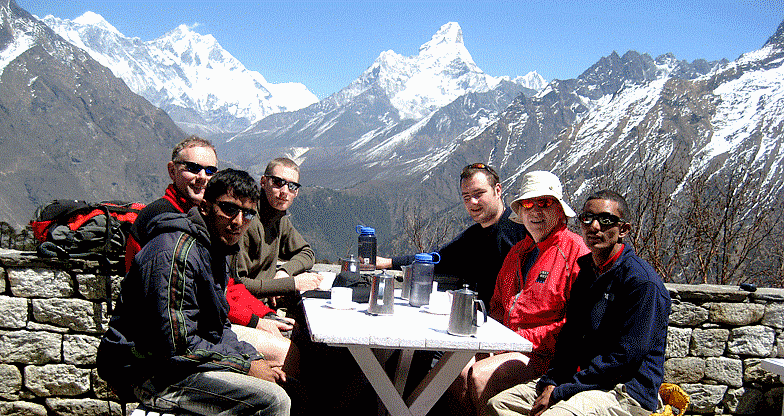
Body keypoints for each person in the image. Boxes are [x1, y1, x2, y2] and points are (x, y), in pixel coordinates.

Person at [98, 169, 291, 416]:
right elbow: (176, 344)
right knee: (273, 401)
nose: (238, 221)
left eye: (248, 213)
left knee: (285, 381)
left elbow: (218, 327)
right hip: (146, 370)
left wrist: (251, 357)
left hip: (175, 362)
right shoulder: (175, 254)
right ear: (205, 207)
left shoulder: (214, 248)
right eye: (229, 209)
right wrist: (245, 365)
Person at [486, 190, 670, 416]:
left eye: (606, 220)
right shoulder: (587, 272)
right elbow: (570, 337)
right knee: (499, 405)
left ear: (623, 229)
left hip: (624, 391)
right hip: (580, 380)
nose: (594, 226)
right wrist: (553, 381)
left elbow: (624, 359)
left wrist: (561, 392)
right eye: (587, 218)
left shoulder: (640, 282)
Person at [125, 136, 298, 376]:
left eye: (210, 170)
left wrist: (264, 313)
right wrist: (256, 324)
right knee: (287, 356)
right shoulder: (164, 223)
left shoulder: (206, 221)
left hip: (207, 324)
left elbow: (227, 285)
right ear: (171, 170)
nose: (202, 177)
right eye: (193, 168)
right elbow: (190, 303)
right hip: (170, 340)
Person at [450, 171, 589, 416]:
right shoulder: (517, 253)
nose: (535, 210)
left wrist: (517, 339)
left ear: (559, 208)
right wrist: (491, 341)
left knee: (480, 377)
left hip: (549, 357)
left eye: (544, 202)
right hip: (510, 345)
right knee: (453, 372)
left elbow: (578, 324)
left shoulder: (576, 252)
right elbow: (497, 307)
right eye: (527, 203)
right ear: (521, 212)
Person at [376, 163, 529, 305]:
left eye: (479, 194)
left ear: (497, 190)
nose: (472, 202)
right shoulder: (473, 237)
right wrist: (388, 263)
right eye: (466, 197)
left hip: (513, 325)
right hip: (480, 317)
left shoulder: (523, 230)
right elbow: (438, 259)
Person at [232, 157, 321, 305]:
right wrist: (290, 284)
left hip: (265, 304)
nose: (284, 191)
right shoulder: (247, 220)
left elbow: (307, 253)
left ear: (296, 192)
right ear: (263, 182)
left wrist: (284, 272)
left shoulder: (279, 219)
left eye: (292, 186)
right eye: (278, 183)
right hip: (248, 309)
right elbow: (238, 284)